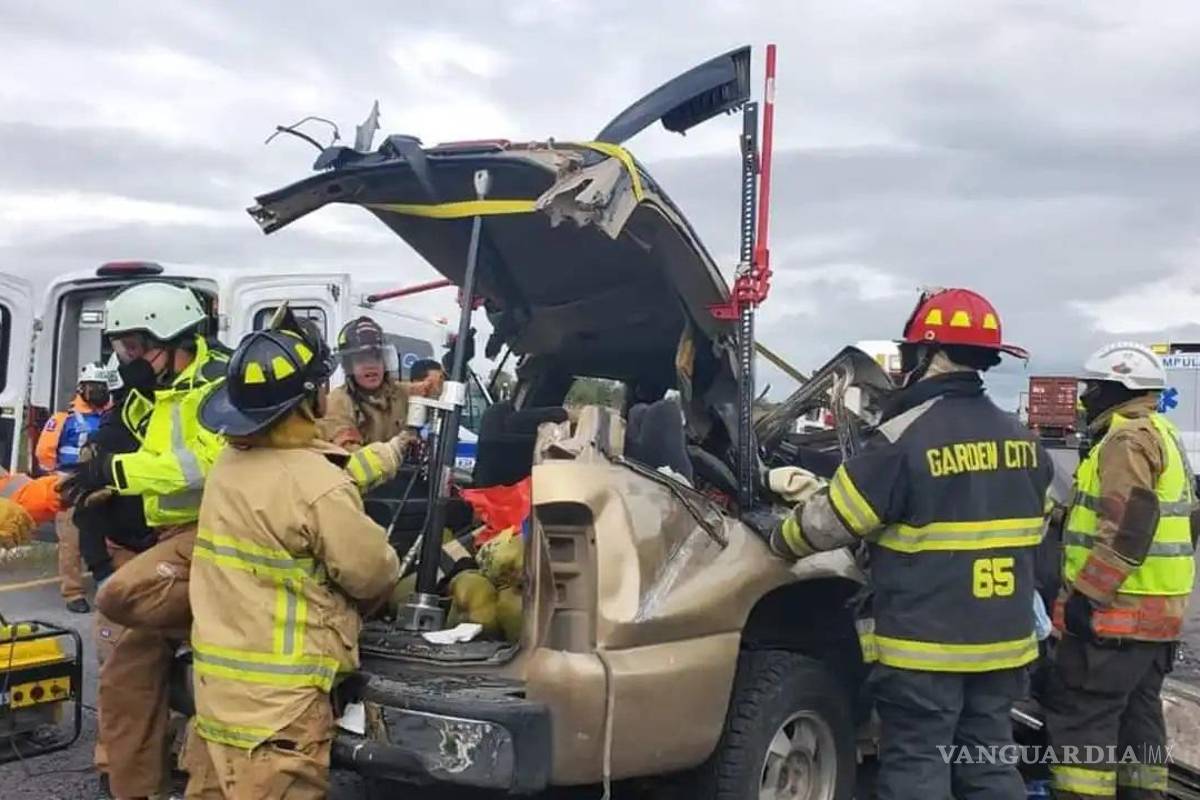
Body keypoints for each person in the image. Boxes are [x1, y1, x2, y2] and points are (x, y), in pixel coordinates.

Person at [761, 288, 1053, 800]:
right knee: (988, 763)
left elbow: (834, 521)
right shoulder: (1024, 441)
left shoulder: (904, 439)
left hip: (927, 648)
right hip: (1004, 643)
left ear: (926, 354)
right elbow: (1039, 525)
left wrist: (777, 537)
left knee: (919, 765)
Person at [182, 319, 400, 799]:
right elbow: (372, 574)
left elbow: (322, 473)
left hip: (216, 698)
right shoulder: (316, 485)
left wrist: (392, 452)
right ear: (313, 397)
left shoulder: (229, 465)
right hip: (279, 715)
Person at [57, 280, 230, 800]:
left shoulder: (218, 384)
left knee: (217, 668)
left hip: (223, 534)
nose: (126, 358)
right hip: (165, 539)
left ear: (171, 337)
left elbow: (206, 464)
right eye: (121, 346)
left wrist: (118, 470)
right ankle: (131, 787)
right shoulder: (149, 394)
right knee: (127, 663)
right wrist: (94, 475)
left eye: (135, 346)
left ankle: (214, 782)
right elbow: (124, 447)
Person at [1042, 342, 1195, 800]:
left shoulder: (1125, 440)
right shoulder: (1165, 434)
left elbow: (1128, 526)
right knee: (1138, 721)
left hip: (1116, 619)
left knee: (1084, 719)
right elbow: (1187, 521)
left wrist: (1088, 596)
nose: (1085, 398)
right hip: (1158, 618)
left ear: (1119, 389)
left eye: (1093, 387)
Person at [36, 362, 113, 612]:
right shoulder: (63, 419)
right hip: (71, 484)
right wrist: (60, 478)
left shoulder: (112, 417)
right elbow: (44, 453)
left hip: (103, 484)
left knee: (110, 537)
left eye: (103, 387)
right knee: (71, 541)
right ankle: (73, 593)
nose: (99, 392)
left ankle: (110, 586)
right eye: (94, 387)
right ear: (82, 389)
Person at [319, 316, 411, 450]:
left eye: (376, 358)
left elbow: (427, 391)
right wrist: (394, 451)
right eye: (361, 359)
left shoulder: (400, 394)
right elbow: (349, 455)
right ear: (348, 365)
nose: (371, 366)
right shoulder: (338, 402)